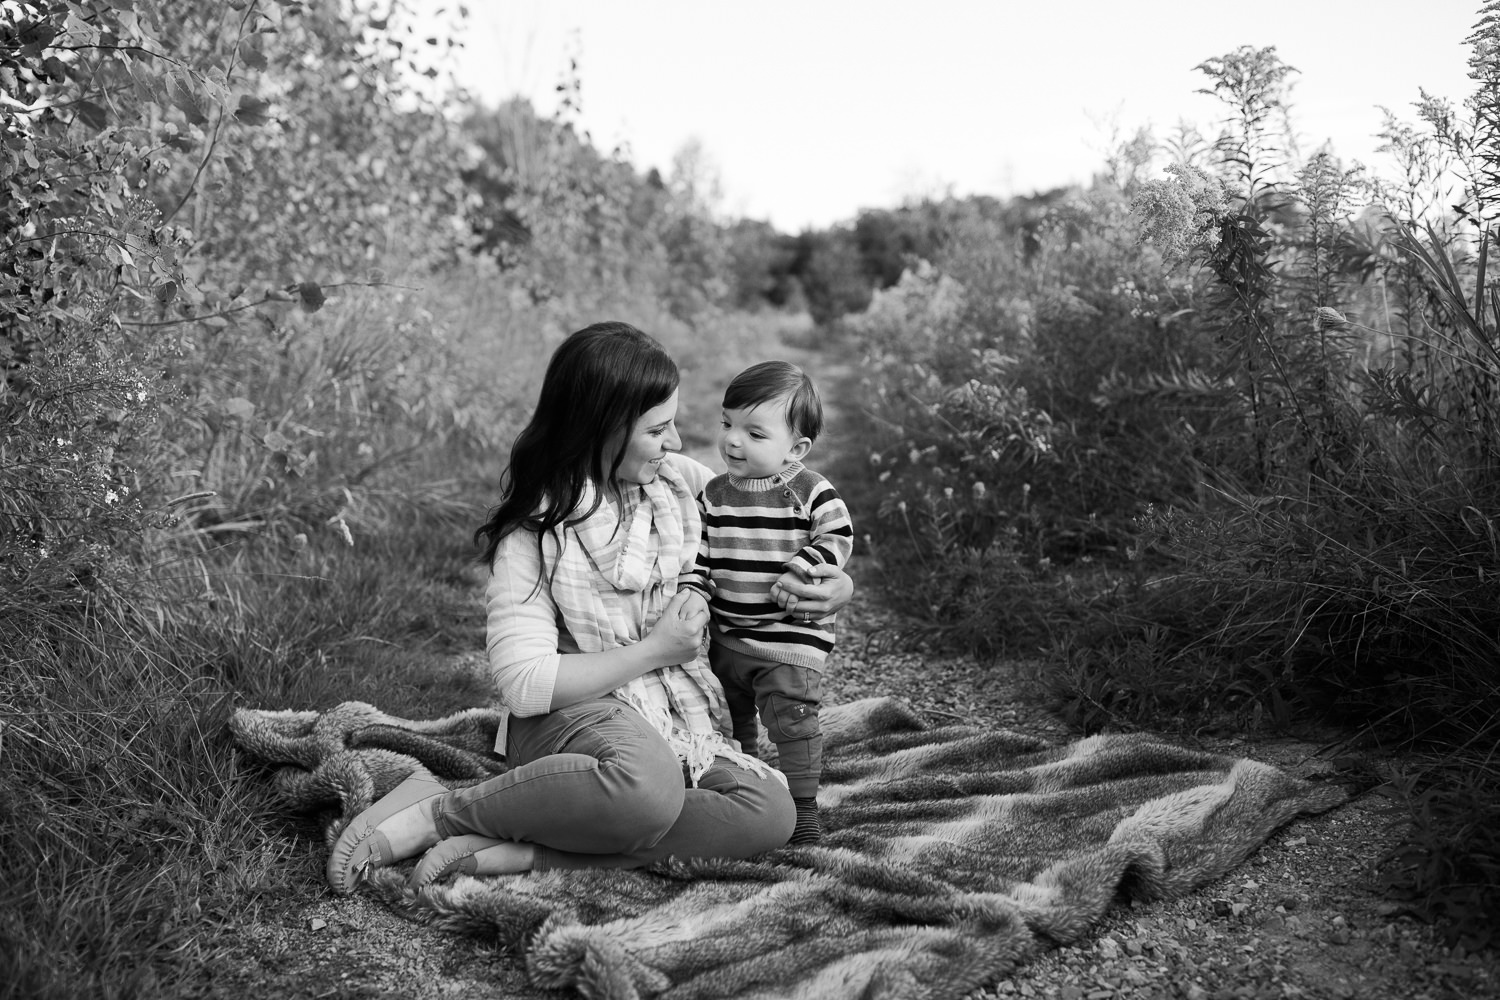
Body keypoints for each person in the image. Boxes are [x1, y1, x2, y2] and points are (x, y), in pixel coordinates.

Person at [326, 322, 855, 893]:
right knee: (645, 787)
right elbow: (525, 684)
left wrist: (836, 585)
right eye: (658, 429)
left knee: (772, 811)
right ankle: (441, 811)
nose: (677, 443)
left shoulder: (680, 485)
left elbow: (776, 526)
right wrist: (654, 650)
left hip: (671, 715)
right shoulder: (537, 529)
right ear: (602, 430)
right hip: (569, 716)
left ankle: (533, 851)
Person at [678, 361, 852, 844]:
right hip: (729, 635)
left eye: (755, 433)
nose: (733, 441)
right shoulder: (713, 494)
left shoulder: (810, 491)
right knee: (731, 719)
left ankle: (803, 809)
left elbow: (838, 536)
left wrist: (804, 567)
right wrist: (693, 589)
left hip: (788, 636)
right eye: (727, 424)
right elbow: (700, 554)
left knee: (793, 722)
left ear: (795, 449)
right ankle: (748, 779)